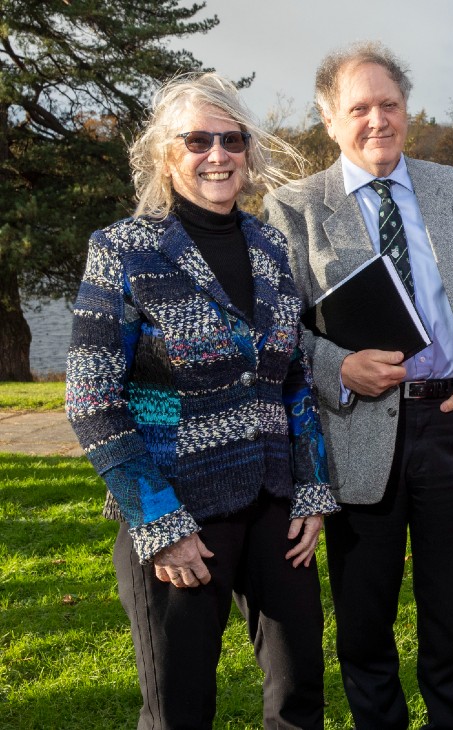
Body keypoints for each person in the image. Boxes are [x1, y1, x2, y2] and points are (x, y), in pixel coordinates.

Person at [64, 72, 337, 729]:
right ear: (167, 155)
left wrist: (312, 490)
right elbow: (91, 397)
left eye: (232, 139)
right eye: (197, 140)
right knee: (179, 708)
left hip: (275, 506)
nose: (218, 154)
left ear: (249, 151)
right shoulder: (124, 250)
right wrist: (160, 525)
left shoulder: (271, 248)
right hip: (178, 510)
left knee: (300, 693)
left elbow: (293, 377)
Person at [263, 41, 453, 730]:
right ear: (329, 120)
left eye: (390, 104)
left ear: (407, 110)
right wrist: (336, 368)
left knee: (452, 623)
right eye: (359, 108)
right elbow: (280, 330)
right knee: (363, 629)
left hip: (450, 423)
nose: (377, 119)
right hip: (355, 431)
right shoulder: (294, 207)